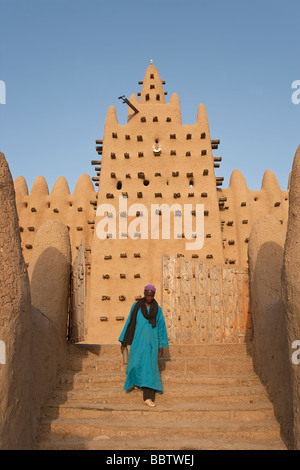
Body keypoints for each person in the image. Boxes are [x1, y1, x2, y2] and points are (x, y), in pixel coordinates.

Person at [118, 284, 169, 407]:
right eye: (148, 295)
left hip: (152, 344)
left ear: (154, 295)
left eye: (152, 296)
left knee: (150, 369)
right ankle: (137, 382)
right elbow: (130, 323)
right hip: (138, 342)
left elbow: (161, 328)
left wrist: (160, 346)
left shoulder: (157, 309)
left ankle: (148, 397)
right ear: (144, 293)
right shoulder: (136, 307)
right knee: (135, 364)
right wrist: (124, 342)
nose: (150, 298)